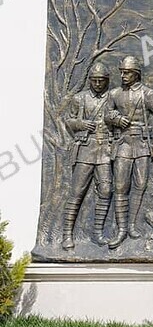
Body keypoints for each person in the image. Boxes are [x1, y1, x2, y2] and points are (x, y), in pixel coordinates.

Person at [105, 56, 153, 249]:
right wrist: (116, 119)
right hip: (123, 142)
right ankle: (121, 229)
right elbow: (107, 114)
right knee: (121, 186)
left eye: (127, 72)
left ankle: (132, 225)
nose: (123, 75)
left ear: (136, 73)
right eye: (121, 72)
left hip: (142, 143)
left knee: (140, 185)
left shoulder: (147, 93)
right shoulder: (114, 93)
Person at [60, 62, 113, 249]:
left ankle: (98, 232)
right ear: (90, 80)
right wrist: (81, 124)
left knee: (106, 191)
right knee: (77, 192)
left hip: (105, 150)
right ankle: (67, 234)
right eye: (94, 80)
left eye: (102, 81)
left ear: (107, 81)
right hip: (85, 149)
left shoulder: (112, 98)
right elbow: (69, 121)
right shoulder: (80, 98)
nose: (98, 84)